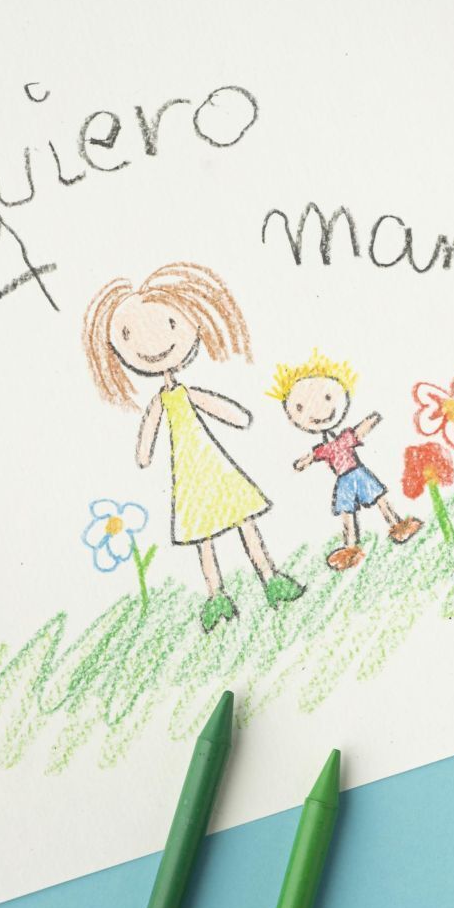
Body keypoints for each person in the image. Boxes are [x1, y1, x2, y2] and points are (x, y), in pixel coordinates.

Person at [83, 261, 304, 631]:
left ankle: (270, 577)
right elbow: (149, 431)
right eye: (128, 334)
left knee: (243, 518)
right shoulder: (163, 399)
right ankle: (217, 595)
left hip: (211, 463)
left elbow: (215, 406)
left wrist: (238, 416)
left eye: (170, 324)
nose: (153, 344)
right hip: (189, 471)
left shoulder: (185, 393)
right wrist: (144, 452)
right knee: (204, 535)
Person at [270, 349, 422, 571]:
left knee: (379, 498)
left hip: (358, 472)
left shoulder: (344, 438)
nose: (319, 410)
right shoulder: (325, 448)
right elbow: (312, 456)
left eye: (327, 398)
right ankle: (350, 548)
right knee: (347, 512)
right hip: (344, 480)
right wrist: (301, 463)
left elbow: (359, 432)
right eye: (301, 407)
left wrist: (372, 420)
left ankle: (397, 525)